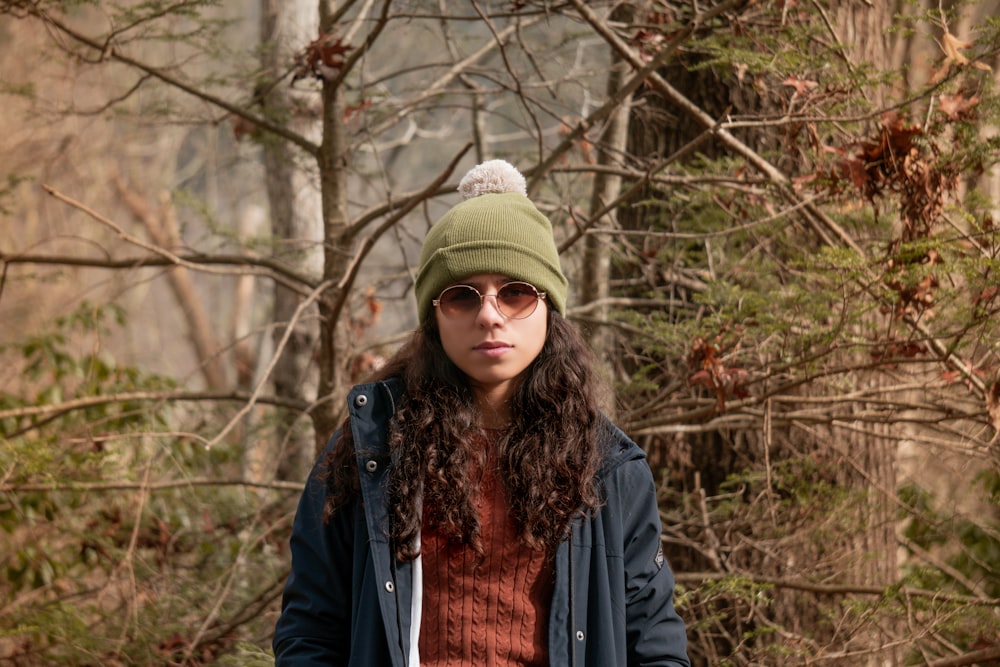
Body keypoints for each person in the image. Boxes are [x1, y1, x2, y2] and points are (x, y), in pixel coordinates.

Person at [272, 160, 690, 667]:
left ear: (548, 309)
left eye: (515, 292)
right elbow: (311, 631)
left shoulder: (607, 468)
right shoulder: (371, 452)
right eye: (462, 296)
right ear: (435, 317)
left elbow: (652, 641)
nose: (489, 314)